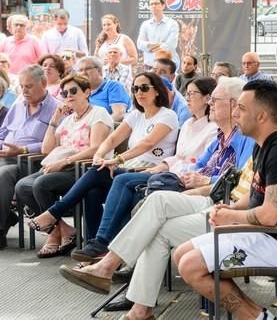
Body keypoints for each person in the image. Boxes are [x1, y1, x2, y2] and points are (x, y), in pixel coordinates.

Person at [55, 76, 256, 319]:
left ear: (235, 105)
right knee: (151, 201)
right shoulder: (220, 139)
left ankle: (114, 276)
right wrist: (181, 175)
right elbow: (196, 167)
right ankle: (126, 291)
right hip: (201, 196)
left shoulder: (245, 137)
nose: (210, 103)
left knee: (152, 210)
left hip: (224, 205)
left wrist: (205, 181)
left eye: (215, 99)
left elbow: (242, 181)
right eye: (210, 99)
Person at [175, 79, 277, 320]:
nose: (234, 113)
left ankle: (255, 317)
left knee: (190, 266)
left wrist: (231, 217)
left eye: (240, 108)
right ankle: (256, 313)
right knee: (181, 254)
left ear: (261, 116)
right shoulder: (264, 144)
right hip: (263, 233)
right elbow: (255, 194)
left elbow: (270, 215)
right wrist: (228, 208)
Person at [28, 72, 179, 257]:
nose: (139, 92)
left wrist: (116, 160)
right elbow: (113, 138)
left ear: (157, 91)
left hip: (149, 170)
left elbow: (146, 144)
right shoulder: (136, 115)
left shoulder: (168, 115)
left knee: (97, 174)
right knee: (94, 187)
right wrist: (99, 156)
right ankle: (93, 248)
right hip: (127, 167)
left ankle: (55, 215)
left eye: (144, 87)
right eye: (135, 88)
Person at [15, 74, 113, 258]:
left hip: (84, 169)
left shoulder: (99, 113)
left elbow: (95, 148)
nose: (68, 95)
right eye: (65, 92)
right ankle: (62, 230)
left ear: (87, 92)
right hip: (61, 167)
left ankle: (53, 234)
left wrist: (64, 162)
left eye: (74, 90)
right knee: (22, 186)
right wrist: (55, 119)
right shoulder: (68, 120)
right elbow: (47, 149)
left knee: (42, 184)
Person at [0, 65, 60, 249]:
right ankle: (8, 216)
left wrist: (22, 150)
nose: (24, 91)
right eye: (22, 86)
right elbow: (2, 132)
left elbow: (54, 145)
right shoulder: (18, 104)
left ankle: (0, 229)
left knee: (2, 175)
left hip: (30, 162)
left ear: (43, 83)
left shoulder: (56, 108)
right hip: (5, 155)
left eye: (29, 86)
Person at [150, 77, 219, 176]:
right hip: (169, 172)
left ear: (207, 98)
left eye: (192, 93)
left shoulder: (214, 129)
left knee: (124, 181)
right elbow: (178, 157)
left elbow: (204, 165)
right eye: (187, 93)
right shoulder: (187, 124)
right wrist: (162, 166)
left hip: (186, 177)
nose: (187, 98)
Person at [78, 56, 130, 122]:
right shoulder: (80, 91)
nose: (83, 73)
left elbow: (119, 114)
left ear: (99, 70)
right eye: (80, 70)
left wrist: (96, 126)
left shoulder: (113, 86)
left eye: (87, 69)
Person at [137, 0, 180, 68]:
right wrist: (160, 44)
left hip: (167, 65)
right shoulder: (145, 24)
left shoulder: (172, 23)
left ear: (163, 6)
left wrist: (149, 46)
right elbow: (140, 44)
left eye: (156, 3)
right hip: (149, 66)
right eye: (151, 4)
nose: (153, 6)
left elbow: (171, 45)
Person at [152, 58, 191, 126]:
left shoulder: (184, 109)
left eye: (162, 72)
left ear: (172, 77)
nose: (156, 75)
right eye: (154, 71)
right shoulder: (147, 94)